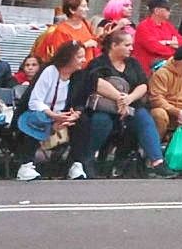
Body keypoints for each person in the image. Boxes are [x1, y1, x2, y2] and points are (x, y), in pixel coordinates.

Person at [67, 29, 174, 179]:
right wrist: (119, 98)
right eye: (127, 45)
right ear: (114, 45)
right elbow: (96, 83)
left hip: (130, 106)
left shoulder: (133, 63)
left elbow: (143, 84)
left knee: (144, 118)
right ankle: (88, 159)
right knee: (101, 121)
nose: (131, 48)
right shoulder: (98, 63)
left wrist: (129, 99)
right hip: (104, 107)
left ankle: (157, 162)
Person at [15, 42, 84, 181]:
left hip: (61, 115)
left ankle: (74, 163)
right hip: (42, 114)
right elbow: (34, 102)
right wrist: (53, 116)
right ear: (68, 58)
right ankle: (26, 165)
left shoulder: (78, 76)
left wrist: (75, 114)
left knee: (84, 122)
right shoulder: (49, 71)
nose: (83, 60)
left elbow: (79, 102)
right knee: (38, 118)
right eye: (79, 57)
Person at [28, 0, 97, 65]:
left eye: (87, 6)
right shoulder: (61, 30)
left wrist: (103, 36)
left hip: (89, 70)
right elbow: (61, 55)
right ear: (72, 10)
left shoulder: (86, 24)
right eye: (83, 6)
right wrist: (84, 45)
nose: (87, 9)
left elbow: (93, 42)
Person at [132, 0, 182, 71]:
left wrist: (165, 43)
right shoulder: (143, 27)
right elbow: (155, 48)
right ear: (156, 11)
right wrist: (173, 48)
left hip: (168, 69)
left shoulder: (168, 25)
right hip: (149, 71)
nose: (170, 11)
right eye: (167, 9)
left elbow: (181, 42)